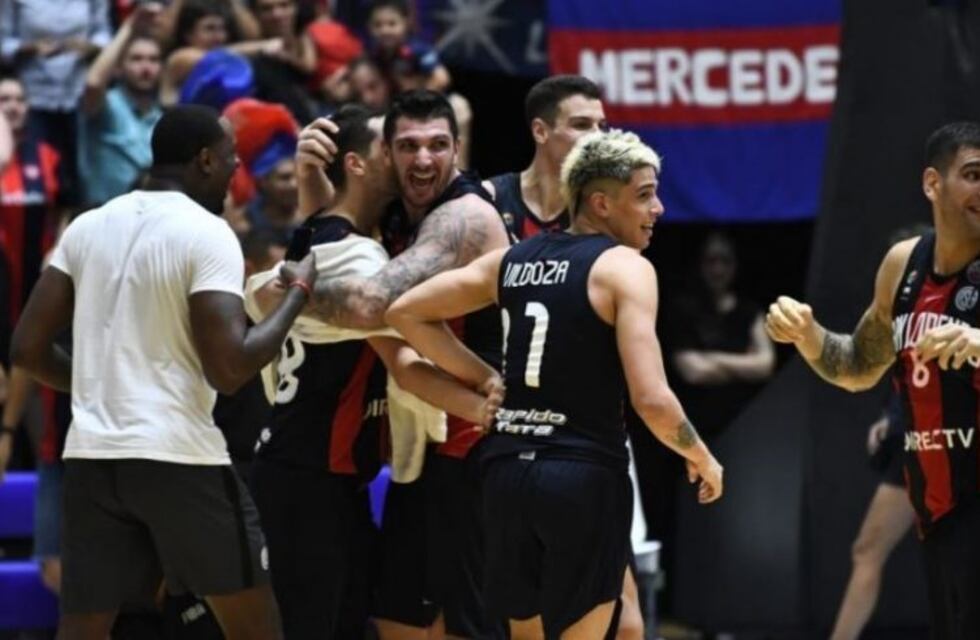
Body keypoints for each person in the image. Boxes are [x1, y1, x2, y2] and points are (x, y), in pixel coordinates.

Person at [386, 128, 724, 640]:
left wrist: (483, 380)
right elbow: (652, 397)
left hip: (503, 473)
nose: (657, 210)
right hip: (580, 474)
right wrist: (701, 456)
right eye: (644, 195)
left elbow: (404, 311)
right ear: (601, 203)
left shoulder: (513, 260)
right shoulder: (625, 269)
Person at [10, 104, 318, 640]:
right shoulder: (208, 232)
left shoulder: (87, 226)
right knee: (256, 627)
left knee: (83, 629)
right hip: (179, 457)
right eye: (230, 159)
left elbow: (27, 348)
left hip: (93, 458)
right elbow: (230, 369)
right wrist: (298, 296)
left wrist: (95, 385)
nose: (235, 170)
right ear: (203, 160)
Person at [246, 104, 503, 639]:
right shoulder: (363, 253)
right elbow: (403, 358)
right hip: (318, 469)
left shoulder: (319, 236)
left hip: (328, 464)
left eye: (433, 145)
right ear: (365, 161)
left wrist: (265, 292)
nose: (411, 159)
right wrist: (484, 398)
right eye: (398, 147)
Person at [765, 121, 980, 639]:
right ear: (933, 183)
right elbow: (857, 366)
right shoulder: (903, 265)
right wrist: (809, 334)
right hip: (939, 503)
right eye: (973, 175)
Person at [485, 74, 606, 240]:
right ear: (540, 132)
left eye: (602, 126)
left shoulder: (603, 209)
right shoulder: (489, 199)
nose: (598, 136)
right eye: (581, 125)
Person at [78, 3, 164, 206]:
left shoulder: (162, 117)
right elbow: (93, 82)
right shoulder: (105, 104)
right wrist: (130, 25)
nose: (146, 67)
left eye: (153, 60)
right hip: (104, 214)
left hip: (147, 218)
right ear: (119, 67)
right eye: (136, 59)